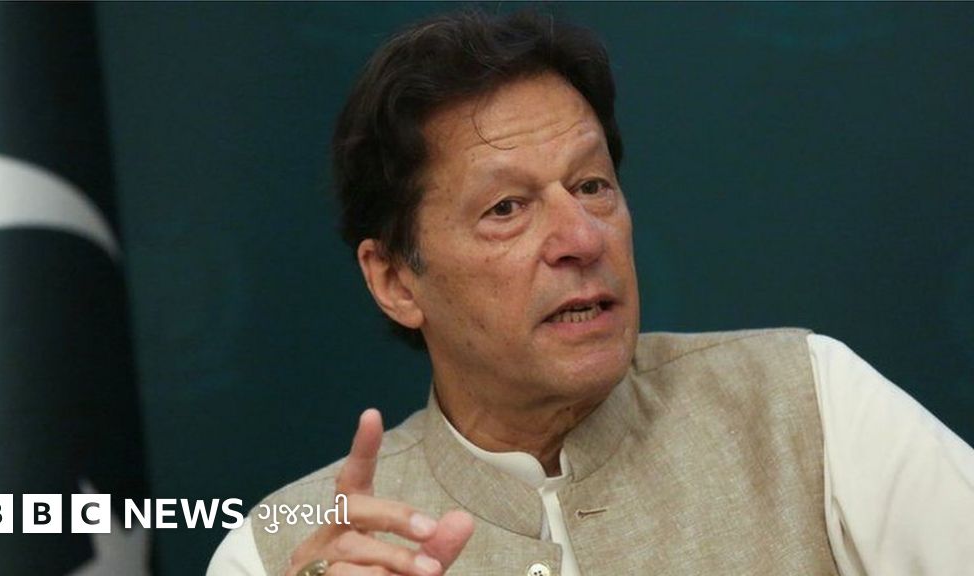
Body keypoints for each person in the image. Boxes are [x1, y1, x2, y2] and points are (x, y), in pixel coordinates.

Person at [208, 10, 974, 576]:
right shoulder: (277, 552)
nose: (581, 237)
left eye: (591, 185)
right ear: (395, 280)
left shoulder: (808, 403)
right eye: (506, 208)